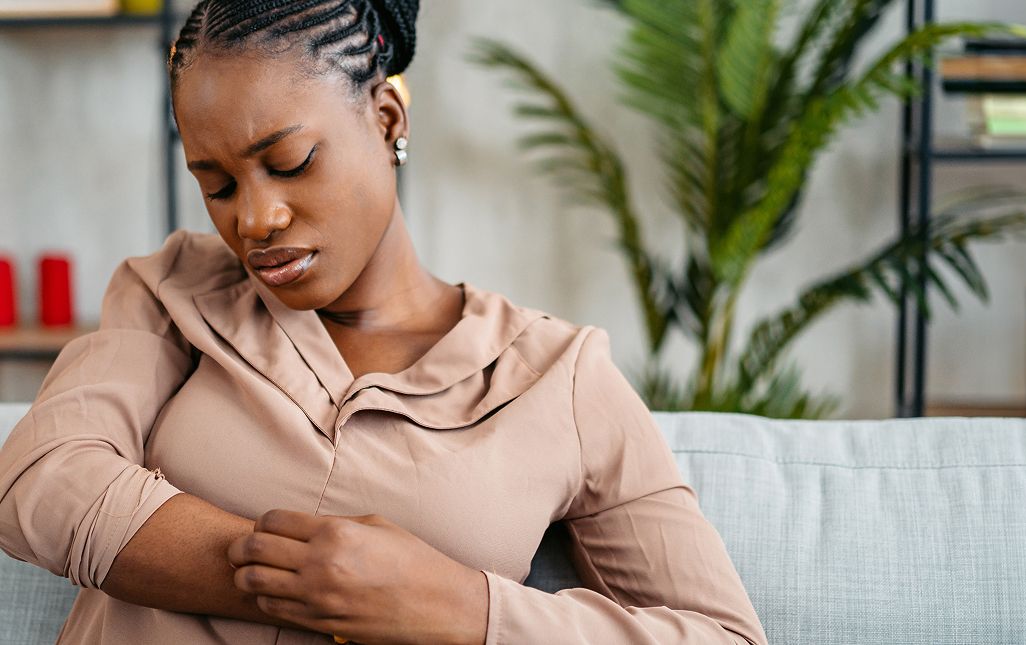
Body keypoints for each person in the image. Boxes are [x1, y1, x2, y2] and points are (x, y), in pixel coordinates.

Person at [0, 1, 767, 643]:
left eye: (291, 161)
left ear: (386, 116)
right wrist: (313, 582)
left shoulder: (558, 373)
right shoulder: (173, 290)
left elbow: (723, 634)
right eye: (218, 184)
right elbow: (41, 483)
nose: (256, 218)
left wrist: (459, 605)